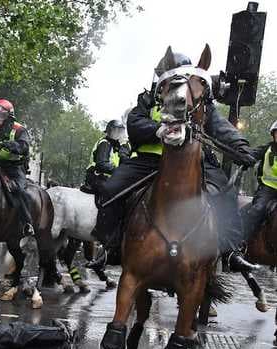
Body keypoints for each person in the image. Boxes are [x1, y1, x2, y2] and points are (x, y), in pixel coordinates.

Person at [91, 50, 259, 273]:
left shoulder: (197, 98)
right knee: (110, 190)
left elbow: (219, 126)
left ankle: (231, 252)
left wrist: (242, 147)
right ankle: (110, 245)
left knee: (226, 193)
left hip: (191, 162)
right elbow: (135, 124)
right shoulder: (148, 99)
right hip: (149, 161)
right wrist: (158, 129)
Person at [0, 99, 34, 237]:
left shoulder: (19, 130)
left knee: (20, 191)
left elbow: (24, 147)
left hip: (14, 168)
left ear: (7, 116)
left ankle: (27, 223)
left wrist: (10, 145)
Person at [241, 120, 277, 240]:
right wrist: (245, 157)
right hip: (268, 189)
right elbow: (253, 154)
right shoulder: (267, 148)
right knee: (257, 210)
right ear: (273, 135)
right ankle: (242, 241)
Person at [82, 119, 128, 195]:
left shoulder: (117, 147)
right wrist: (119, 171)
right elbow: (102, 164)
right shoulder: (105, 143)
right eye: (114, 132)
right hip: (96, 177)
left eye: (119, 132)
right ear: (108, 132)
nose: (117, 135)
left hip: (106, 178)